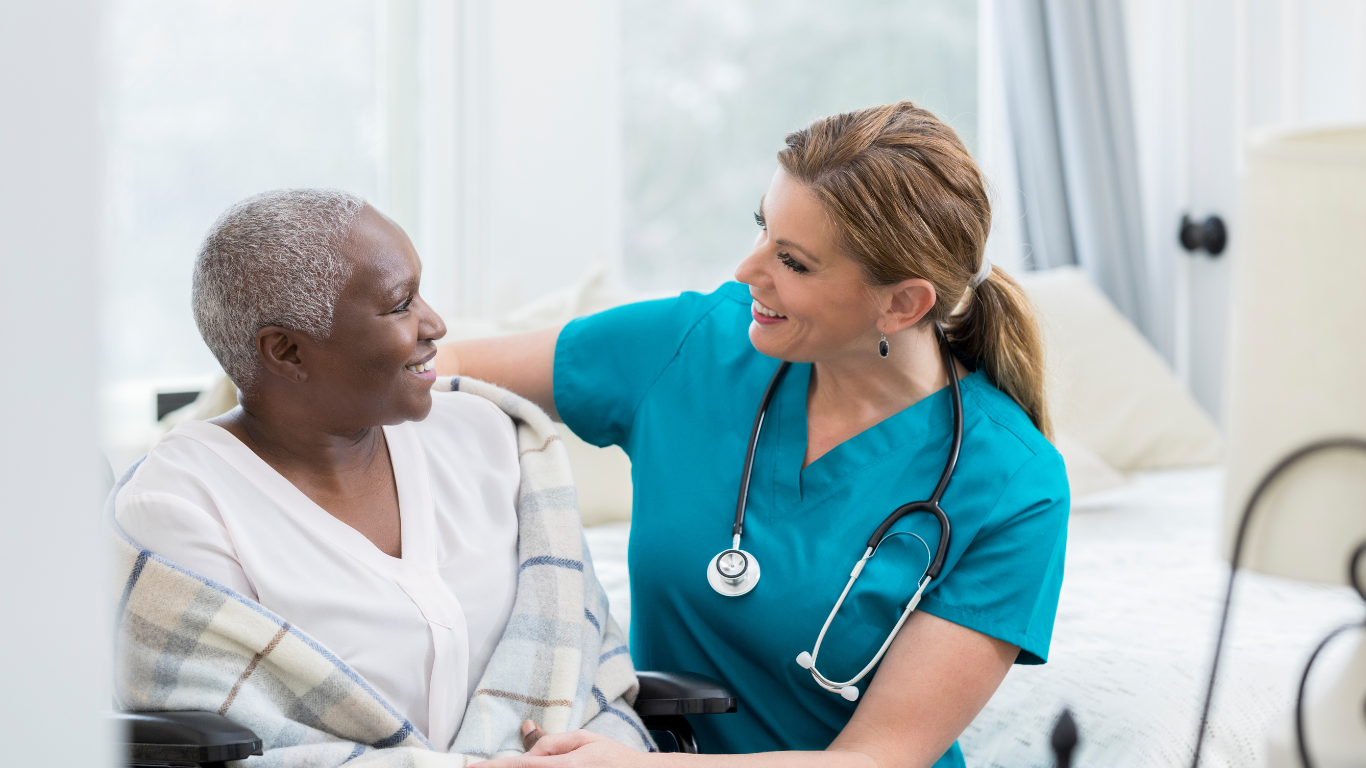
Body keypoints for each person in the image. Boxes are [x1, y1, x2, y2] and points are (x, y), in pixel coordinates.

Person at [438, 103, 1070, 768]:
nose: (747, 269)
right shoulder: (695, 346)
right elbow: (443, 364)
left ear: (901, 304)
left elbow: (879, 757)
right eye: (762, 228)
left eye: (792, 261)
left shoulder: (1013, 485)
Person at [113, 189, 647, 758]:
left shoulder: (489, 436)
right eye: (401, 305)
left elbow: (586, 675)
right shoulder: (176, 508)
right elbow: (240, 747)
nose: (435, 323)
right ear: (287, 352)